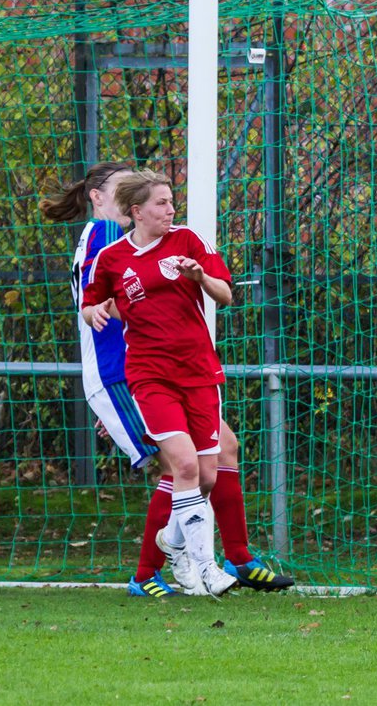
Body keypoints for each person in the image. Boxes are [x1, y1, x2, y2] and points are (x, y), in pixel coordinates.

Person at [73, 168, 293, 596]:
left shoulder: (187, 241)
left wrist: (198, 277)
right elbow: (94, 304)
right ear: (129, 208)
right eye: (162, 202)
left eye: (173, 202)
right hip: (146, 376)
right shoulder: (104, 244)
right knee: (183, 466)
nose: (171, 209)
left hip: (197, 373)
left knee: (208, 468)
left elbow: (226, 294)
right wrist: (97, 318)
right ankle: (195, 568)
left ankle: (189, 547)